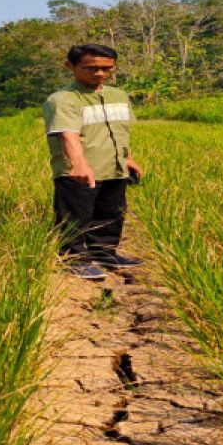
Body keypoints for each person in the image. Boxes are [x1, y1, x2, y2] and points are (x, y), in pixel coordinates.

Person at [43, 43, 144, 281]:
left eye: (106, 69)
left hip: (114, 167)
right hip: (79, 170)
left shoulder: (117, 96)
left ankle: (105, 252)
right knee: (75, 216)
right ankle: (74, 259)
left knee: (111, 212)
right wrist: (79, 164)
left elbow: (119, 131)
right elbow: (68, 133)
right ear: (70, 66)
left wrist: (128, 159)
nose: (99, 73)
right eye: (91, 68)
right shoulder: (63, 99)